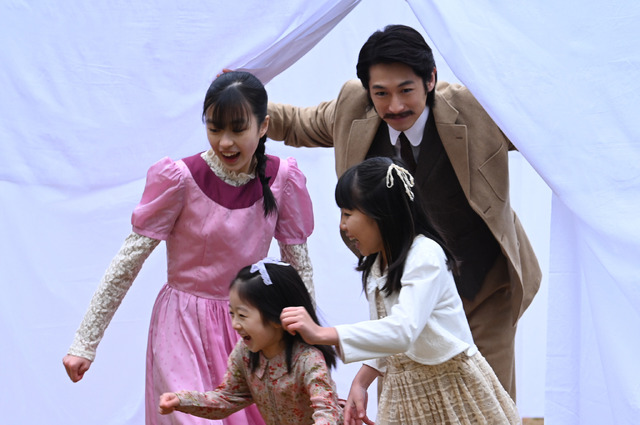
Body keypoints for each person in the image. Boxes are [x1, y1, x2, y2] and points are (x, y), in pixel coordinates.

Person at [267, 24, 541, 398]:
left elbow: (542, 127)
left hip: (484, 287)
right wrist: (242, 100)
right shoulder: (352, 106)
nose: (395, 105)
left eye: (406, 90)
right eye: (381, 93)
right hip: (401, 288)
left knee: (488, 404)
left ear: (431, 80)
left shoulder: (475, 108)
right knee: (407, 402)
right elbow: (298, 124)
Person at [62, 71, 316, 425]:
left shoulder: (283, 178)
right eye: (215, 128)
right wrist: (85, 343)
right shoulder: (181, 179)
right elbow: (128, 261)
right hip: (182, 328)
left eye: (238, 129)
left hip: (251, 331)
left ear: (263, 126)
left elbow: (298, 268)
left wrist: (308, 340)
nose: (225, 142)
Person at [281, 157, 520, 424]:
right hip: (405, 394)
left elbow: (402, 330)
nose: (342, 225)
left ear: (382, 213)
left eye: (348, 214)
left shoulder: (425, 255)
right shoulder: (377, 263)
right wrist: (361, 381)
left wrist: (322, 333)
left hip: (451, 390)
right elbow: (384, 334)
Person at [158, 259, 344, 425]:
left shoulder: (308, 359)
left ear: (277, 317)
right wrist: (181, 400)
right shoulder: (245, 354)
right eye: (232, 313)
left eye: (242, 315)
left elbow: (328, 413)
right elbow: (227, 398)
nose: (235, 324)